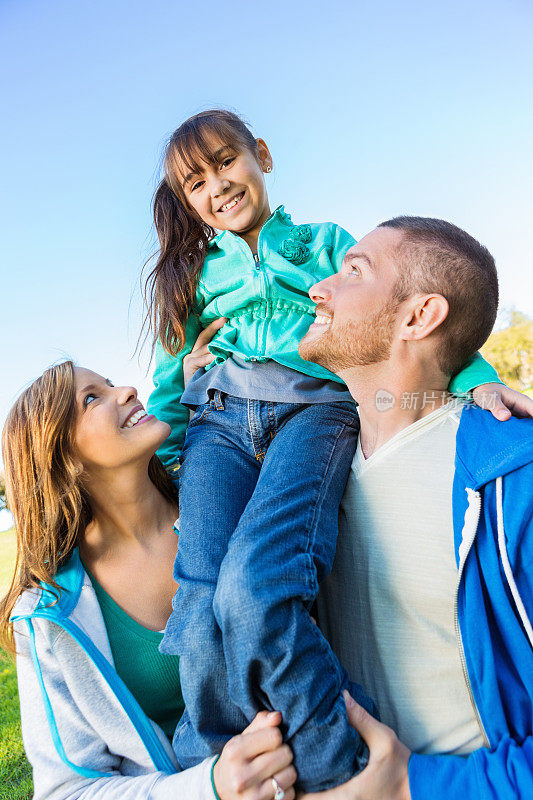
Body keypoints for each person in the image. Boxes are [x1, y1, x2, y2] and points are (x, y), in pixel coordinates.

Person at [145, 108, 517, 791]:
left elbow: (421, 314)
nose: (217, 185)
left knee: (259, 583)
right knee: (198, 604)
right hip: (221, 420)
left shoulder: (322, 245)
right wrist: (166, 449)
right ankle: (219, 761)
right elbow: (173, 377)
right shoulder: (196, 278)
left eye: (225, 161)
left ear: (260, 154)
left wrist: (486, 382)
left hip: (312, 411)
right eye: (194, 182)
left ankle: (334, 768)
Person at [294, 217, 533, 799]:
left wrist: (413, 785)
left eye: (354, 270)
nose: (316, 288)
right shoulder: (301, 483)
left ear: (418, 316)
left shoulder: (512, 476)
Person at [0, 361, 296, 800]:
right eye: (91, 399)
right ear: (62, 458)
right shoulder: (47, 615)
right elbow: (67, 791)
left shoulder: (229, 500)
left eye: (110, 383)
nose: (127, 391)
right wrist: (207, 787)